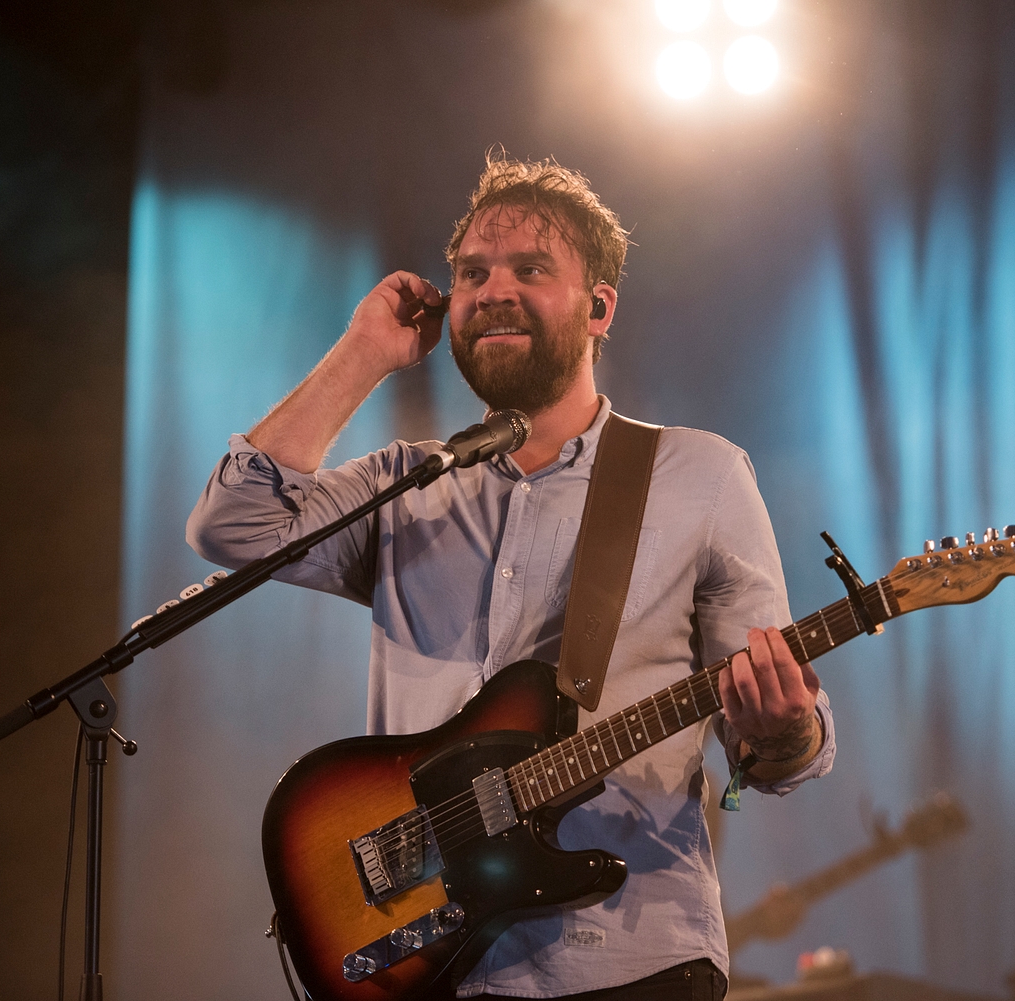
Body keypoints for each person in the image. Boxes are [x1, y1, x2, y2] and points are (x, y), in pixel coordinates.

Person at [187, 155, 835, 1000]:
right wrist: (362, 353)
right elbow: (232, 525)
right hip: (423, 962)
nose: (493, 289)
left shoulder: (698, 474)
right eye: (470, 274)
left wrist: (782, 727)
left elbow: (776, 748)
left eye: (531, 269)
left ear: (600, 307)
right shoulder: (402, 484)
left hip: (628, 958)